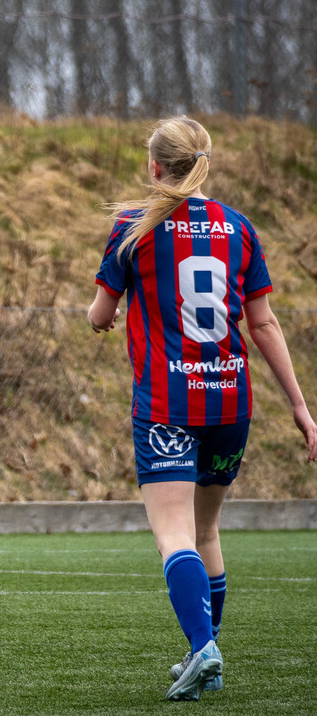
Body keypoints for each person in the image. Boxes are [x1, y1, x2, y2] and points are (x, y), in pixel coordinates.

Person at [88, 116, 317, 700]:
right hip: (231, 402)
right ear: (204, 164)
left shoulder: (132, 227)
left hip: (167, 405)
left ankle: (204, 649)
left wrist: (102, 315)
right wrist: (300, 406)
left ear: (154, 167)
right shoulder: (239, 228)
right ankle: (201, 652)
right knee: (207, 529)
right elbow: (263, 324)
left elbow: (100, 313)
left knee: (175, 535)